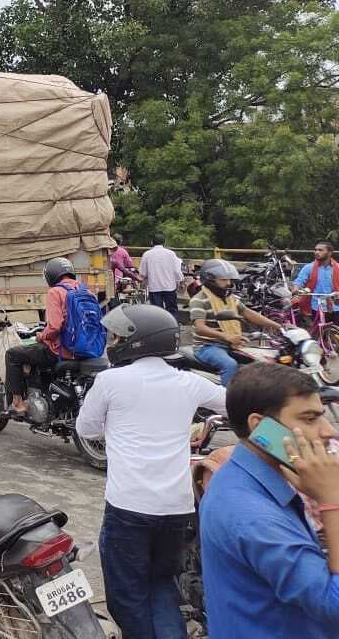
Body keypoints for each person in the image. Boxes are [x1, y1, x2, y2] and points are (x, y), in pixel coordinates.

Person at [76, 305, 227, 639]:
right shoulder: (188, 382)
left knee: (128, 597)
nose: (112, 341)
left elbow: (86, 429)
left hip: (128, 509)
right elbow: (235, 402)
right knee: (162, 588)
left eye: (117, 336)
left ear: (136, 341)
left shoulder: (110, 380)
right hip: (176, 510)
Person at [199, 364, 339, 637]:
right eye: (310, 419)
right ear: (260, 427)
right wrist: (332, 500)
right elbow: (332, 603)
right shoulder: (251, 514)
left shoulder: (250, 476)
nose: (328, 431)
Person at [5, 257, 81, 417]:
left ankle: (18, 403)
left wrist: (42, 336)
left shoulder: (56, 292)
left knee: (13, 354)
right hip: (85, 351)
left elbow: (54, 327)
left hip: (62, 351)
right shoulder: (85, 290)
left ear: (51, 275)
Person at [190, 259, 281, 386]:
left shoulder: (230, 298)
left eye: (229, 280)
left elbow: (248, 313)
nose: (228, 283)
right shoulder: (199, 300)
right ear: (210, 279)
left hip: (232, 344)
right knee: (230, 365)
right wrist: (226, 336)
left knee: (262, 361)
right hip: (207, 347)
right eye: (223, 280)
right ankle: (226, 401)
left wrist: (279, 326)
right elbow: (200, 328)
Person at [293, 240, 339, 325]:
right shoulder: (308, 267)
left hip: (336, 306)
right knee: (318, 334)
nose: (316, 252)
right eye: (315, 250)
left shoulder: (338, 268)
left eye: (320, 250)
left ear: (329, 253)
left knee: (335, 334)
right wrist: (296, 288)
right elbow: (299, 281)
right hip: (316, 307)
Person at [140, 234, 184, 317]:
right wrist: (180, 281)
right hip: (169, 286)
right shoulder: (171, 253)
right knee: (172, 309)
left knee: (157, 311)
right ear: (164, 242)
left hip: (154, 287)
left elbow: (143, 273)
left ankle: (160, 328)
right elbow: (177, 270)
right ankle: (173, 327)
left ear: (152, 242)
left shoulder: (147, 254)